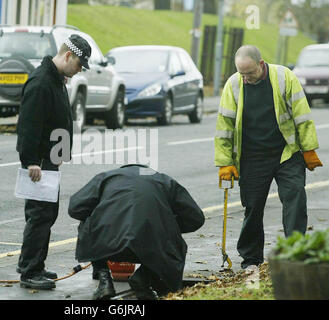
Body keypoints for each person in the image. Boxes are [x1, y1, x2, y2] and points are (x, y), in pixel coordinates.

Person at [214, 45, 323, 270]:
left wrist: (308, 149)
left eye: (250, 73)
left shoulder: (284, 77)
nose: (245, 78)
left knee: (294, 199)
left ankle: (294, 254)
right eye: (241, 73)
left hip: (286, 153)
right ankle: (251, 260)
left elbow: (302, 115)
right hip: (252, 158)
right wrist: (225, 162)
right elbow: (224, 126)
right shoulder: (234, 84)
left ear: (261, 64)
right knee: (253, 207)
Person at [16, 34, 91, 290]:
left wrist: (59, 155)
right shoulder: (41, 82)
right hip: (38, 164)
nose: (80, 69)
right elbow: (28, 126)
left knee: (47, 215)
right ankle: (29, 271)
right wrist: (30, 162)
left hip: (49, 161)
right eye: (80, 64)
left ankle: (35, 264)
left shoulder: (56, 80)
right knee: (39, 216)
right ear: (68, 56)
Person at [68, 164, 205, 300]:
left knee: (88, 223)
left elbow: (75, 209)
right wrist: (167, 227)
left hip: (106, 242)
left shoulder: (106, 177)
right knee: (173, 239)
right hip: (151, 245)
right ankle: (144, 276)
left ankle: (105, 281)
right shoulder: (164, 180)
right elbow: (196, 218)